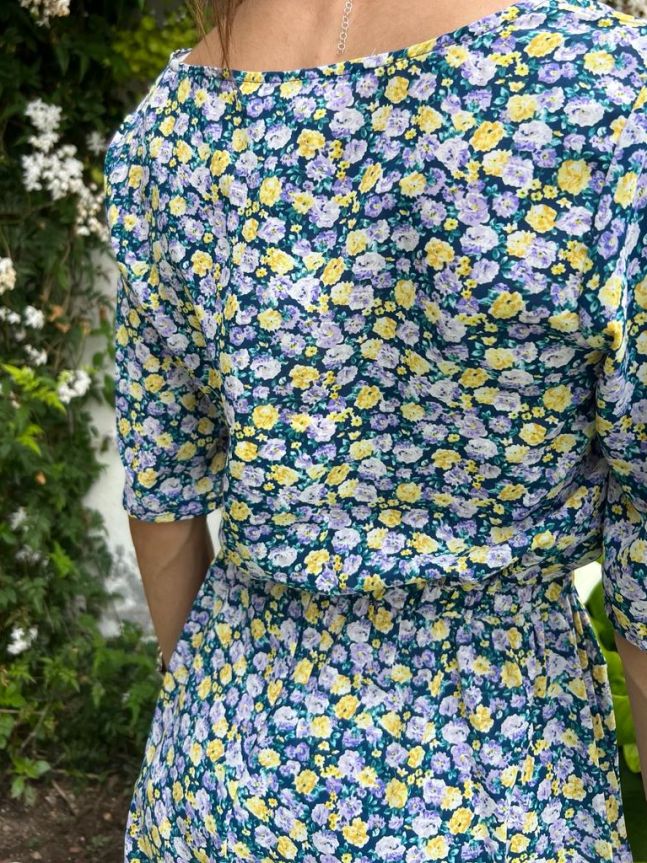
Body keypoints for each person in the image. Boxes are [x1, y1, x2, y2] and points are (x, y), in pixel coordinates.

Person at [103, 0, 647, 859]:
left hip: (224, 762)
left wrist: (200, 702)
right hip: (501, 780)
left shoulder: (166, 132)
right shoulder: (605, 93)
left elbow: (162, 495)